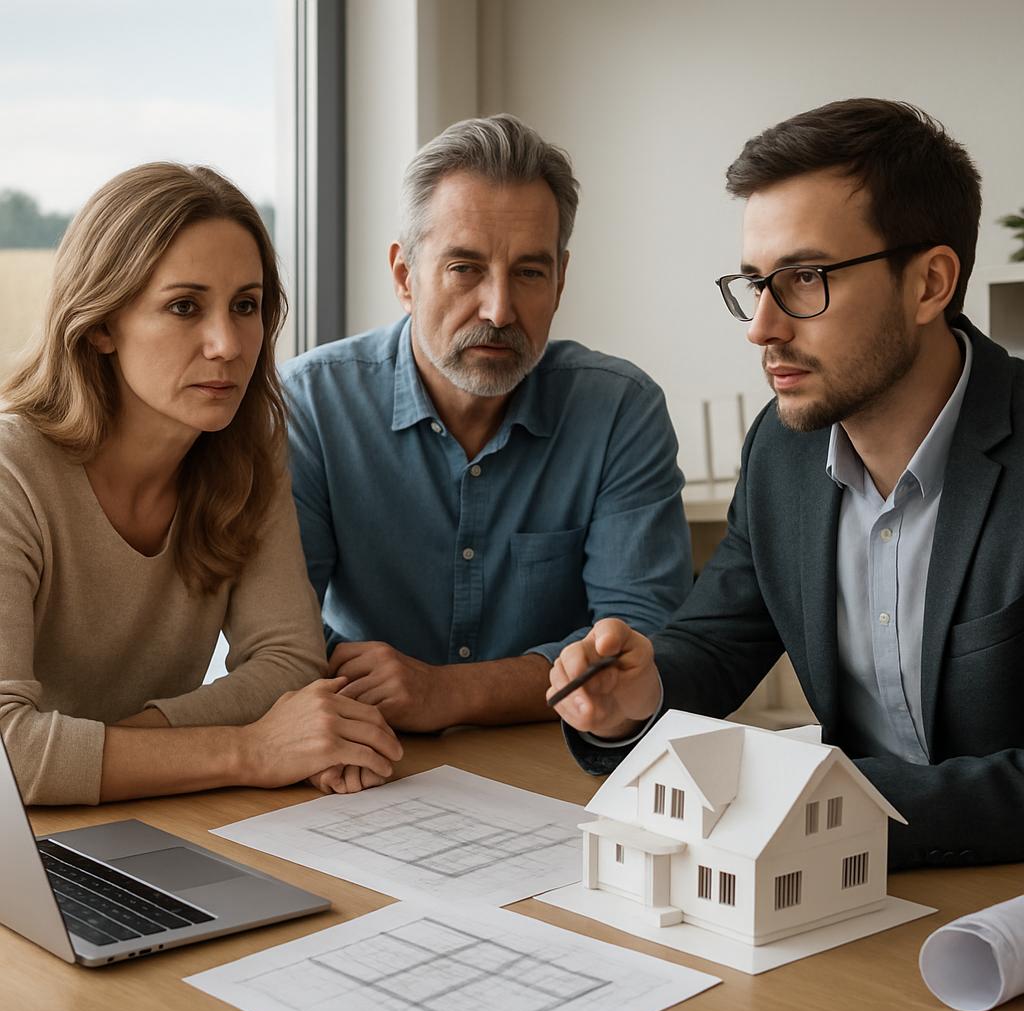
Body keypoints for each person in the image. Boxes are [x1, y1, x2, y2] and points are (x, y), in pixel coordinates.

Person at [549, 98, 1024, 870]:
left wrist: (819, 801)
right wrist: (635, 696)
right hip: (846, 886)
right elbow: (717, 640)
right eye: (754, 283)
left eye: (805, 278)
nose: (761, 327)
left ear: (930, 283)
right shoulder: (783, 447)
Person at [0, 163, 402, 805]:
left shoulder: (248, 452)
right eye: (184, 307)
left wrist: (112, 752)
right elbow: (6, 755)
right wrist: (251, 750)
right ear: (101, 324)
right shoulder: (10, 473)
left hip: (140, 814)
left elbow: (288, 664)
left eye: (246, 306)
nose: (227, 344)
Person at [283, 114, 692, 738]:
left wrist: (446, 692)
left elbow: (640, 639)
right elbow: (281, 636)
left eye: (529, 272)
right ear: (404, 277)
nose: (500, 310)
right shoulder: (309, 405)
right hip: (370, 750)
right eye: (465, 268)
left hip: (554, 763)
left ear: (559, 281)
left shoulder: (619, 410)